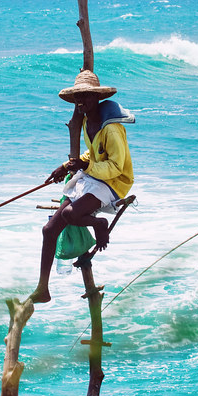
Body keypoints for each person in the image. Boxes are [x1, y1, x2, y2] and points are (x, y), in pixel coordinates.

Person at [31, 70, 134, 304]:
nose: (81, 103)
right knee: (49, 231)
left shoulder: (111, 127)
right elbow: (92, 154)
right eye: (78, 98)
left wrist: (84, 168)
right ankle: (42, 288)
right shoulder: (88, 120)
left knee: (70, 213)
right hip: (92, 177)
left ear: (96, 97)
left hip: (113, 182)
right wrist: (67, 166)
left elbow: (116, 165)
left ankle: (99, 223)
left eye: (86, 97)